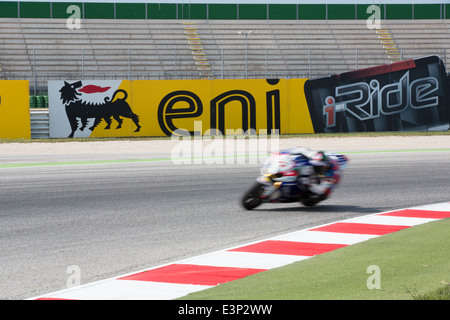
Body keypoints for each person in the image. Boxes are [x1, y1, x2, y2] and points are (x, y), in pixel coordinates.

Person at [260, 147, 341, 200]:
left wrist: (310, 185)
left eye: (319, 167)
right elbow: (298, 149)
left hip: (315, 183)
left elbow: (321, 190)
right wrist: (283, 153)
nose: (317, 167)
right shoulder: (311, 156)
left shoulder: (329, 176)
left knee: (316, 193)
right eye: (315, 166)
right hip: (306, 173)